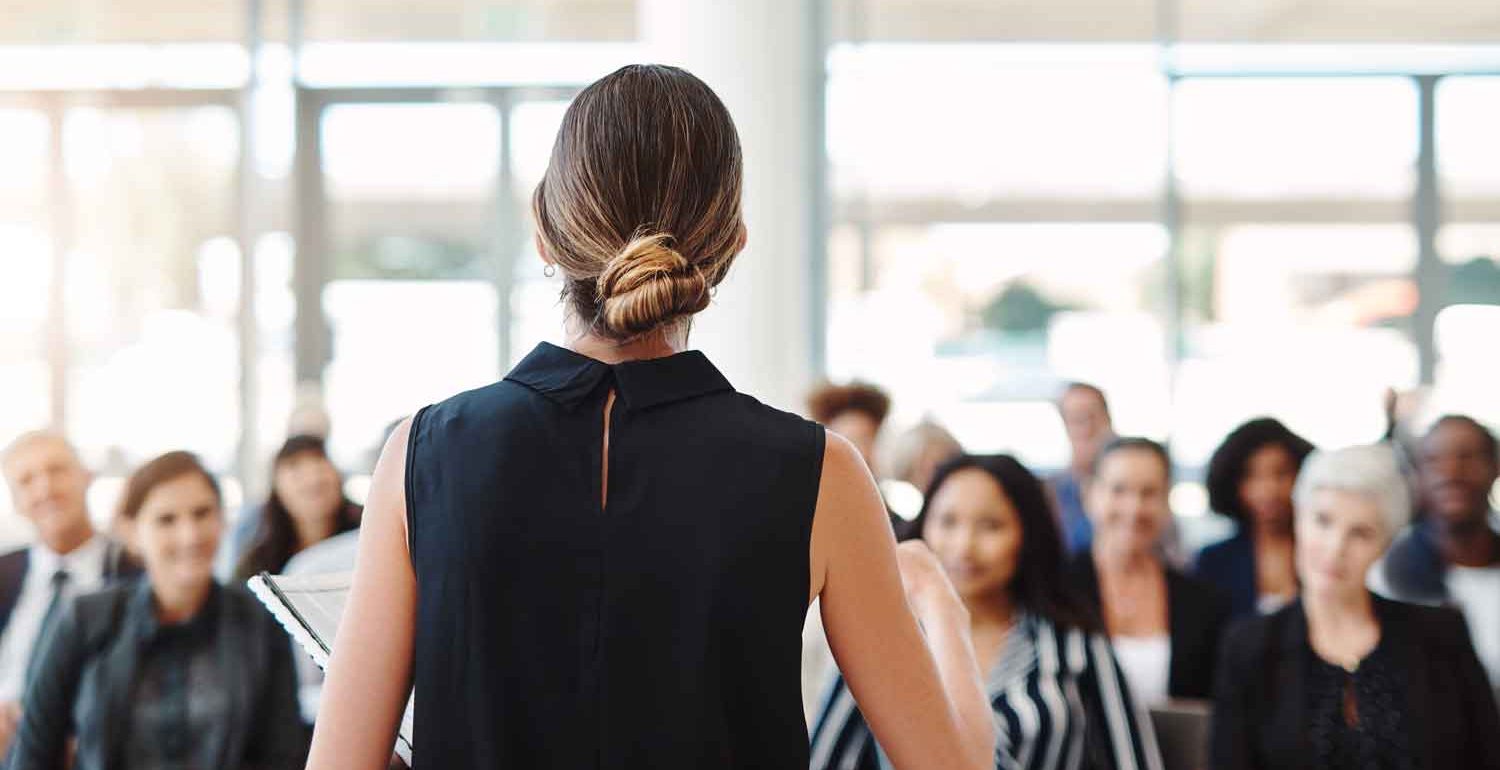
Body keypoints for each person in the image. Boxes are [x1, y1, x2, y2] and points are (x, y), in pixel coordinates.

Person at [303, 64, 995, 770]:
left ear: (544, 234)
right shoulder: (821, 473)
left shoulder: (422, 455)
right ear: (730, 246)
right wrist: (941, 604)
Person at [811, 455, 1164, 770]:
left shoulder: (1074, 646)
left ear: (1026, 536)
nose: (965, 547)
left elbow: (1133, 759)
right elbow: (825, 758)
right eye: (948, 522)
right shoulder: (879, 644)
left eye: (991, 526)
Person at [8, 451, 308, 769]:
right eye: (167, 520)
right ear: (131, 532)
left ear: (222, 521)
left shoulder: (261, 620)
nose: (189, 535)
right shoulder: (84, 619)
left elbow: (282, 756)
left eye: (202, 513)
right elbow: (34, 751)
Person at [1211, 444, 1500, 769]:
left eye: (1360, 533)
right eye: (1323, 521)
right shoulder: (1249, 646)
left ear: (1384, 546)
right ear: (1298, 520)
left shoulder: (1442, 635)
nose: (1335, 549)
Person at [0, 432, 140, 754]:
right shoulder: (4, 572)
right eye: (27, 480)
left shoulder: (134, 573)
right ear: (16, 502)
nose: (45, 488)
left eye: (57, 471)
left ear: (86, 477)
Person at [1066, 437, 1230, 704]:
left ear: (1166, 501)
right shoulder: (1055, 589)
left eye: (1149, 493)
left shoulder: (1202, 600)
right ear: (1090, 495)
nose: (1134, 508)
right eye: (1119, 490)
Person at [1373, 415, 1500, 700]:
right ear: (1416, 476)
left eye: (1467, 457)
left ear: (1495, 466)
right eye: (1433, 461)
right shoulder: (1386, 573)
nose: (1451, 472)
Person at [1196, 418, 1316, 618]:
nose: (1269, 490)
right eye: (1252, 475)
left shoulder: (1322, 553)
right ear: (1233, 484)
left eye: (1281, 473)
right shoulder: (1214, 561)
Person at [231, 435, 361, 582]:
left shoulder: (368, 536)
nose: (312, 478)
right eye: (295, 469)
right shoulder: (257, 564)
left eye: (319, 465)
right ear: (277, 489)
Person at [1049, 382, 1115, 556]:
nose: (1087, 429)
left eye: (1092, 417)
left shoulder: (1137, 487)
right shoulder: (1049, 493)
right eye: (1077, 419)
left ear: (1108, 420)